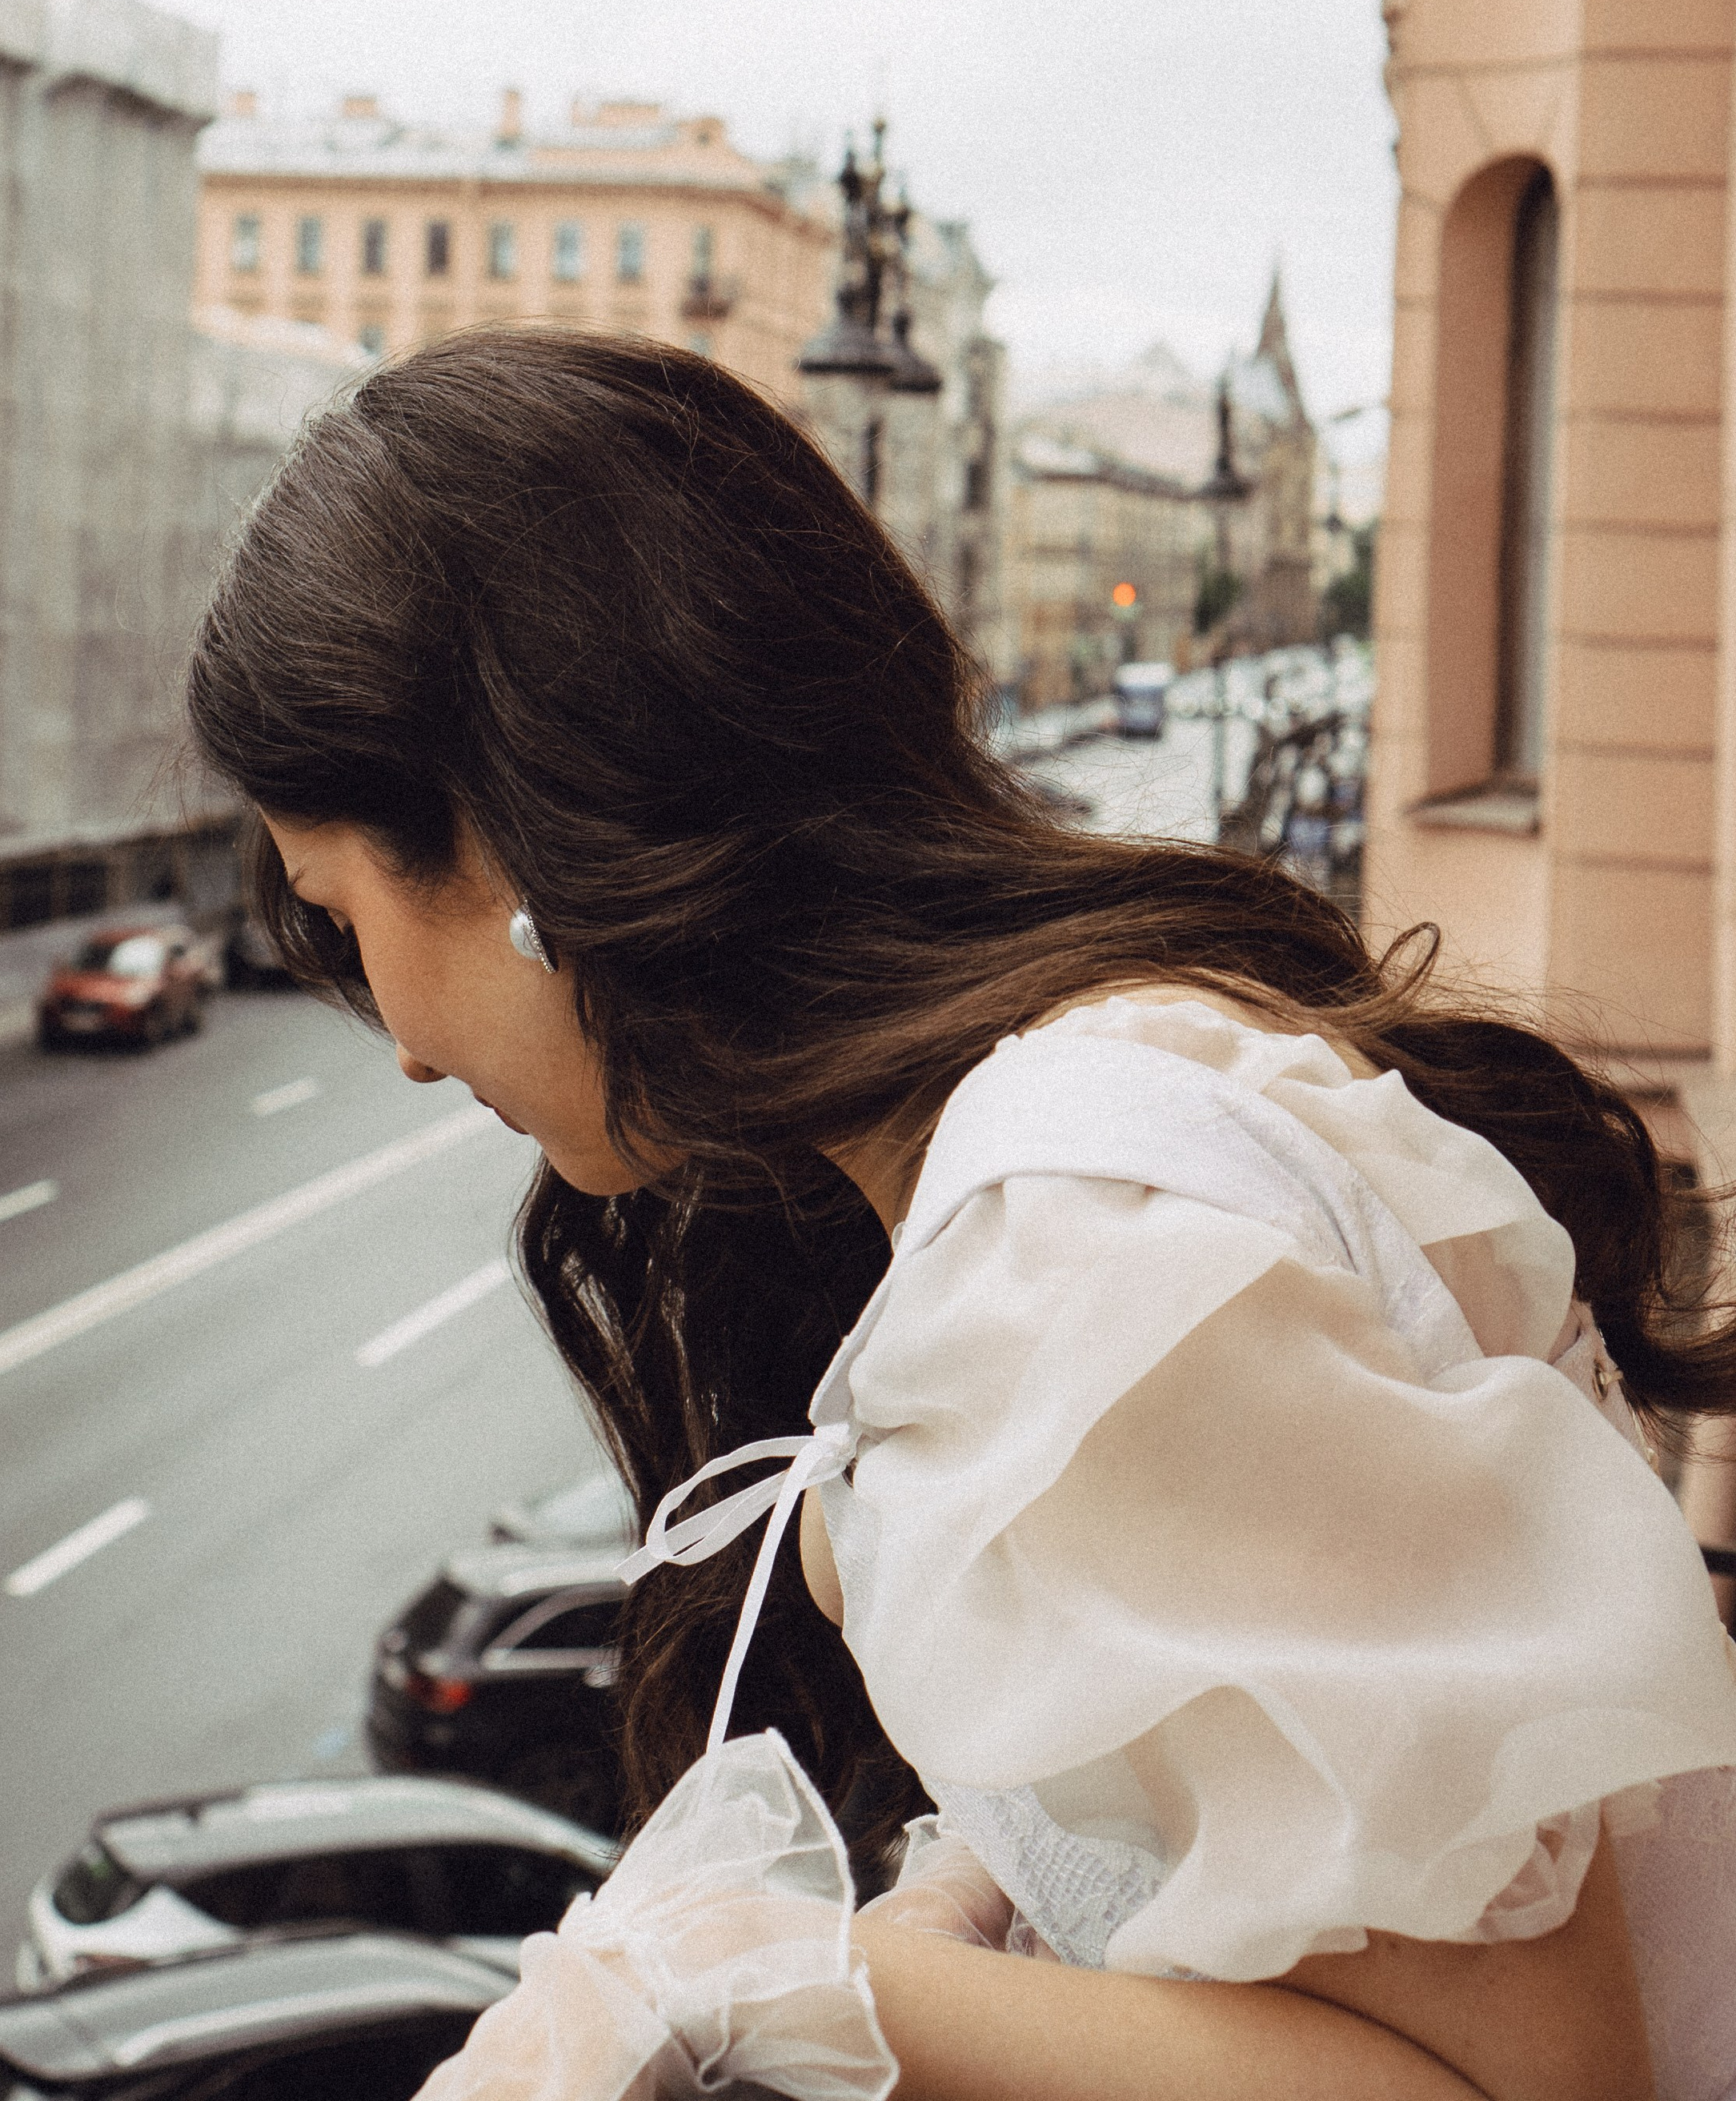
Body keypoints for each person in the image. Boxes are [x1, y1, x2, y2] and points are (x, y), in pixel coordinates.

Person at [186, 331, 1736, 2101]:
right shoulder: (1124, 1073)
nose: (392, 1043)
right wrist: (986, 1890)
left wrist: (746, 1972)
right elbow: (1299, 1803)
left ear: (521, 845)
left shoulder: (1087, 1242)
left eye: (340, 908)